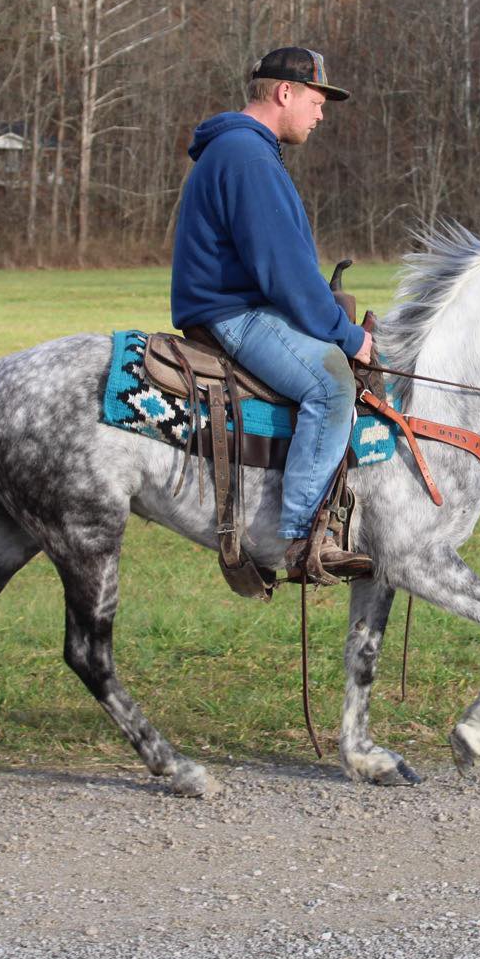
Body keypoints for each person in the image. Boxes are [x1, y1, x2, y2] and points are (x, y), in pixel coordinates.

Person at [170, 46, 373, 582]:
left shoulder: (246, 150)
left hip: (238, 304)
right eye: (316, 98)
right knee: (331, 385)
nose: (321, 112)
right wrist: (343, 335)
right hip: (235, 313)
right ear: (285, 93)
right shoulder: (247, 156)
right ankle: (306, 537)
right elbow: (281, 268)